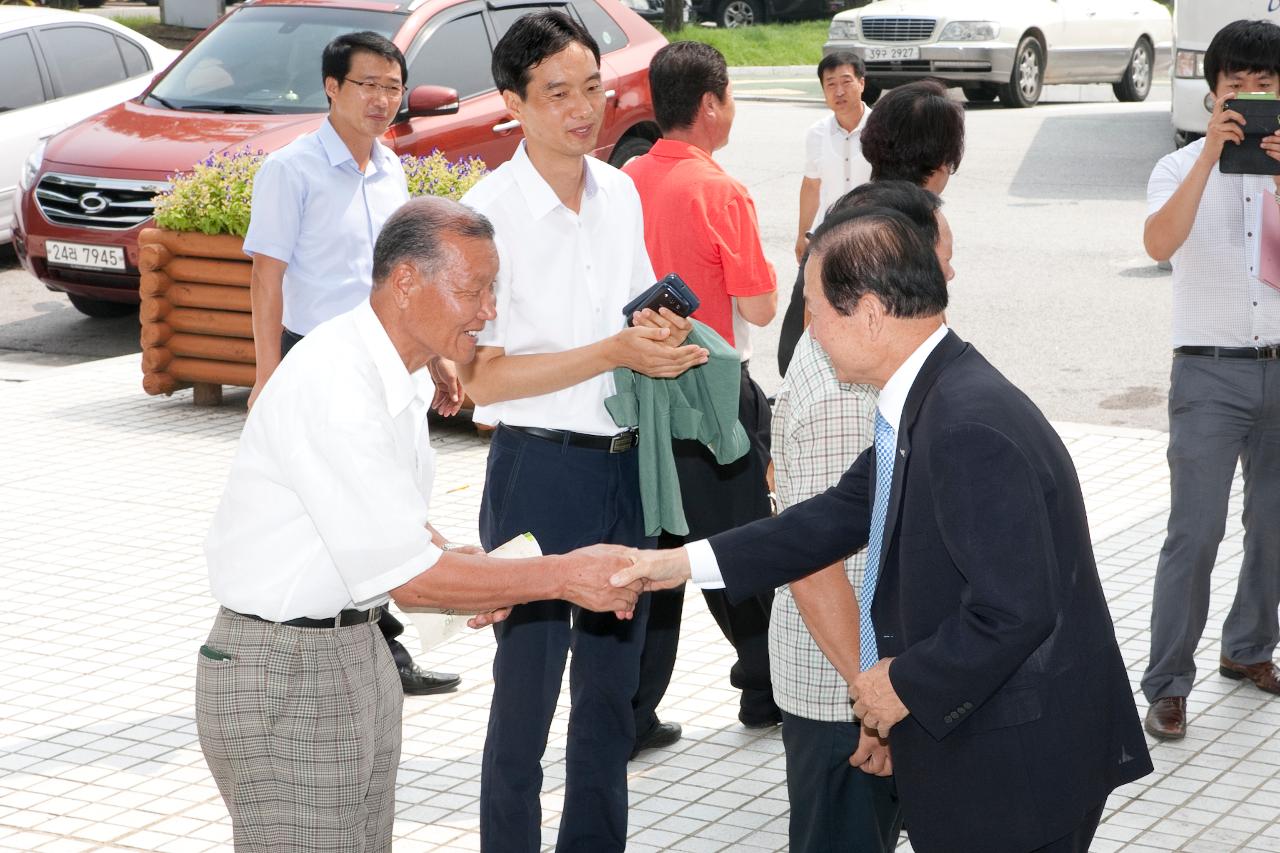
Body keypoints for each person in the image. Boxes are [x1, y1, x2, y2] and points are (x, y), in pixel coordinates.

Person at [613, 209, 1153, 853]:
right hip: (992, 747)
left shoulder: (963, 426)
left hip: (1016, 769)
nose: (808, 331)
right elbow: (827, 520)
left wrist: (901, 685)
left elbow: (1016, 608)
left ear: (868, 313)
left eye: (815, 311)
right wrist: (673, 566)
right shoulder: (926, 397)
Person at [196, 197, 642, 853]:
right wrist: (563, 576)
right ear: (405, 281)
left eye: (494, 288)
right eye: (474, 288)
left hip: (354, 652)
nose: (489, 309)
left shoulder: (393, 377)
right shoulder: (337, 382)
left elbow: (394, 531)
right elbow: (411, 578)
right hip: (286, 672)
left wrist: (480, 573)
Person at [455, 12, 707, 852]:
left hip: (626, 470)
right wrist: (611, 348)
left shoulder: (623, 189)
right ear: (511, 104)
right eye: (558, 92)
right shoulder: (484, 215)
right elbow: (481, 376)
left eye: (593, 87)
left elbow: (631, 319)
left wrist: (661, 340)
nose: (583, 108)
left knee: (610, 698)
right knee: (524, 695)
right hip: (536, 471)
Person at [241, 31, 461, 697]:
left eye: (392, 87)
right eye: (367, 84)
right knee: (340, 503)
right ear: (331, 88)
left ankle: (379, 643)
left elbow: (406, 281)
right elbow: (266, 280)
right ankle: (360, 646)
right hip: (320, 360)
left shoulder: (391, 168)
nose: (381, 99)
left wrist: (437, 355)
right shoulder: (291, 170)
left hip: (389, 360)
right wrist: (266, 375)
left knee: (395, 495)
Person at [770, 180, 951, 853]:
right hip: (843, 697)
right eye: (938, 260)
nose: (949, 276)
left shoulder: (857, 365)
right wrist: (874, 713)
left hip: (860, 687)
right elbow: (814, 565)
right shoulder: (848, 392)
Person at [622, 41, 780, 756]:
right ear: (711, 103)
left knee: (657, 545)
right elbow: (761, 304)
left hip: (639, 389)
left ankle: (635, 707)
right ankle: (765, 685)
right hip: (713, 393)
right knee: (739, 541)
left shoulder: (624, 178)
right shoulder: (720, 190)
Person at [1139, 18, 1280, 740]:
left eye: (1265, 85)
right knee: (1194, 531)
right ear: (1213, 92)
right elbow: (1160, 243)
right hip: (1208, 371)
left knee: (1274, 526)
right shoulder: (1178, 166)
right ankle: (1167, 681)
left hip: (1279, 367)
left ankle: (1250, 647)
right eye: (1237, 85)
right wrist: (1211, 162)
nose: (1250, 96)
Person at [778, 77, 963, 376]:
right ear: (943, 160)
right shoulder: (921, 227)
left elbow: (812, 326)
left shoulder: (843, 212)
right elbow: (929, 340)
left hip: (812, 384)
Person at [794, 51, 872, 265]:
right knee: (802, 298)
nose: (839, 91)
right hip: (828, 239)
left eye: (846, 82)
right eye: (830, 84)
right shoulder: (816, 133)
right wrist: (803, 234)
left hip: (874, 239)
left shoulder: (882, 128)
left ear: (862, 83)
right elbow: (811, 185)